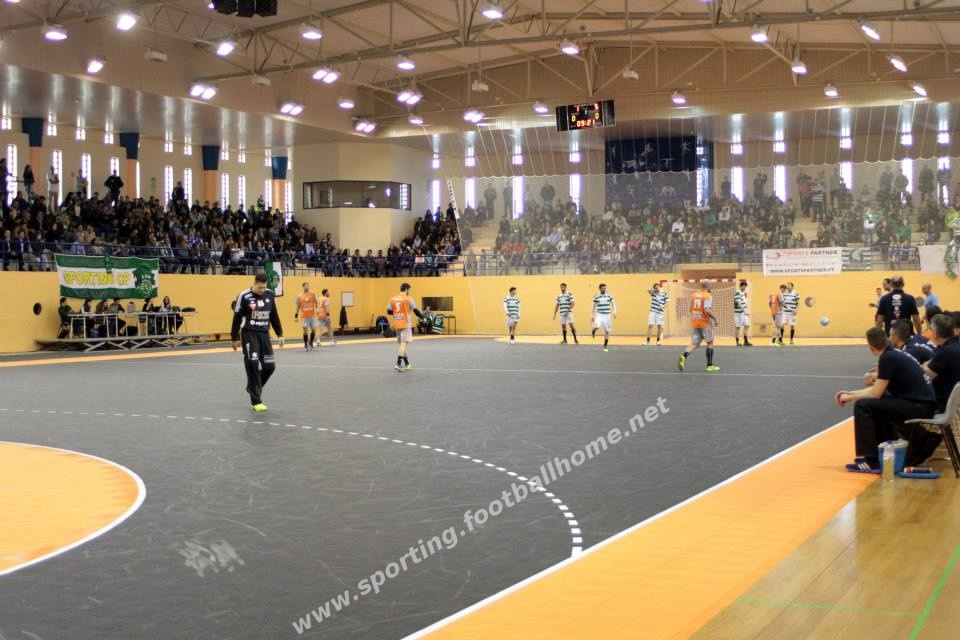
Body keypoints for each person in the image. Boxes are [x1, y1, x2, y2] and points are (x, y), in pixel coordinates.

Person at [836, 327, 938, 472]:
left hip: (918, 406)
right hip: (922, 404)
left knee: (862, 405)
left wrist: (850, 397)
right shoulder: (894, 353)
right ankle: (883, 453)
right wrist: (851, 393)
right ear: (887, 339)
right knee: (877, 404)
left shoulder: (888, 358)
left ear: (870, 347)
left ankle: (870, 460)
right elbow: (879, 391)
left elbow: (875, 393)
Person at [231, 273, 284, 412]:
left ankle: (252, 386)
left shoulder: (270, 294)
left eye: (264, 287)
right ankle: (256, 401)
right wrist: (234, 338)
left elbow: (274, 315)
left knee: (270, 367)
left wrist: (280, 334)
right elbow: (237, 317)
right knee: (252, 365)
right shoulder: (244, 296)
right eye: (260, 287)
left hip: (265, 335)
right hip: (249, 334)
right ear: (254, 284)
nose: (262, 290)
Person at [923, 313, 960, 413]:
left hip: (944, 403)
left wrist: (924, 365)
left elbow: (926, 376)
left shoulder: (945, 352)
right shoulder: (955, 346)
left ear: (935, 333)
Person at [679, 279, 718, 372]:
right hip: (705, 323)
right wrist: (715, 319)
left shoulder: (694, 295)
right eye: (711, 284)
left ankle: (684, 356)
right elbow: (707, 310)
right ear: (707, 286)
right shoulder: (707, 296)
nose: (711, 286)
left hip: (695, 322)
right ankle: (709, 365)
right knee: (710, 343)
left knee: (695, 344)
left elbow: (690, 309)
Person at [387, 282, 424, 371]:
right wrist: (423, 318)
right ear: (407, 290)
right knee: (403, 344)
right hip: (406, 324)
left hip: (397, 324)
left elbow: (389, 311)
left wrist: (397, 313)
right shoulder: (408, 299)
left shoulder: (393, 299)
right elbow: (416, 311)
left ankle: (407, 363)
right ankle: (398, 363)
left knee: (402, 346)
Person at [591, 283, 617, 353]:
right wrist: (592, 315)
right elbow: (593, 306)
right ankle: (593, 331)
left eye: (605, 288)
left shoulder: (609, 295)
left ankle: (605, 346)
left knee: (607, 331)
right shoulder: (596, 296)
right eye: (603, 288)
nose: (604, 289)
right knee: (597, 326)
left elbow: (613, 304)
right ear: (600, 289)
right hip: (599, 315)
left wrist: (614, 312)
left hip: (607, 315)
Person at [294, 282, 319, 351]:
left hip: (312, 316)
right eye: (306, 286)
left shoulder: (313, 294)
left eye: (308, 286)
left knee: (313, 330)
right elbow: (298, 306)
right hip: (304, 316)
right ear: (303, 287)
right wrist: (296, 315)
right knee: (305, 331)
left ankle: (311, 343)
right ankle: (306, 345)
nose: (307, 287)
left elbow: (316, 303)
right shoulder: (299, 296)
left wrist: (317, 310)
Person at [734, 280, 753, 346]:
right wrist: (745, 311)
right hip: (738, 314)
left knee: (747, 325)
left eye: (745, 286)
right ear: (740, 286)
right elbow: (739, 303)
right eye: (743, 286)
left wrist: (745, 311)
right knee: (738, 327)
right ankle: (737, 342)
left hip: (743, 313)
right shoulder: (738, 293)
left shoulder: (743, 294)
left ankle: (745, 341)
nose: (744, 287)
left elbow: (744, 304)